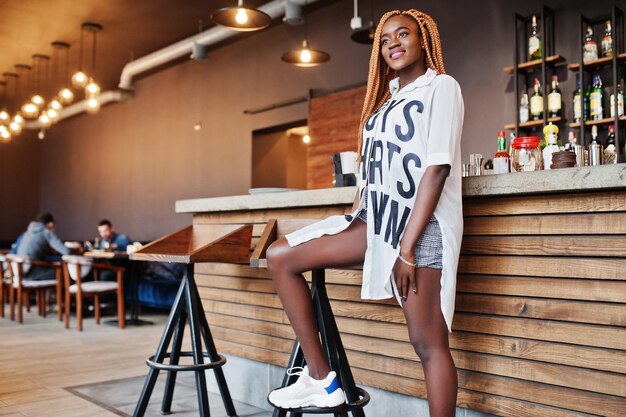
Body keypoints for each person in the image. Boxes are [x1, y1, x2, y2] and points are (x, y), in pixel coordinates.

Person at [265, 9, 463, 417]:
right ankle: (322, 380)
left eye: (402, 34)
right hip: (374, 224)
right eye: (385, 38)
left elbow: (437, 168)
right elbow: (373, 171)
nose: (393, 43)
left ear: (423, 39)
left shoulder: (441, 88)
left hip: (419, 229)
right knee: (281, 256)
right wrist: (355, 210)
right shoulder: (385, 102)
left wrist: (406, 250)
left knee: (427, 343)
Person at [16, 213, 82, 280]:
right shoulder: (46, 232)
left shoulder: (27, 233)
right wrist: (77, 248)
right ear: (51, 223)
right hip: (32, 274)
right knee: (66, 273)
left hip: (20, 273)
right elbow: (66, 251)